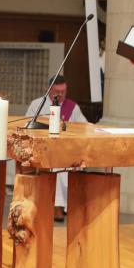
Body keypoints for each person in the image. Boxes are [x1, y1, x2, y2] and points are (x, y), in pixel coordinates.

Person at [25, 75, 88, 221]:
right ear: (49, 90)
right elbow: (27, 126)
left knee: (62, 165)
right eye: (56, 92)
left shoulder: (73, 107)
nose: (60, 96)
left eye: (63, 92)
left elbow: (84, 127)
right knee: (55, 166)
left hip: (66, 151)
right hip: (42, 150)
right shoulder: (37, 105)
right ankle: (57, 207)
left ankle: (64, 206)